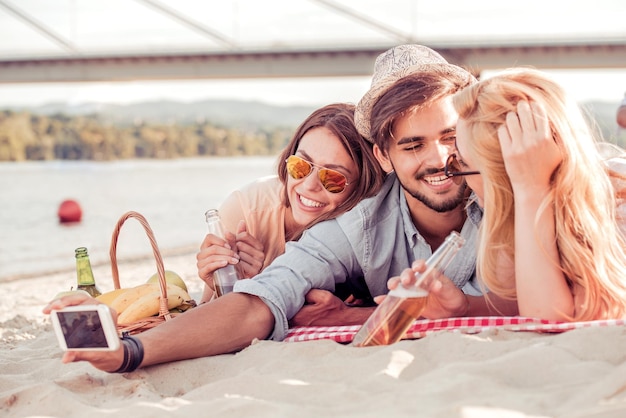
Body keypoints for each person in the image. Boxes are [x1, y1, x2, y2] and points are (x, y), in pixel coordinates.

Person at [43, 44, 515, 373]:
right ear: (384, 157)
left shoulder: (511, 193)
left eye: (450, 136)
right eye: (412, 144)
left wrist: (355, 317)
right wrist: (132, 351)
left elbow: (558, 294)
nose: (437, 159)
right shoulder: (357, 226)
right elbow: (262, 299)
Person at [396, 67, 626, 321]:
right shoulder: (517, 215)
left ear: (503, 174)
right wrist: (463, 308)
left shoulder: (614, 200)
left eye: (461, 163)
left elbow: (550, 317)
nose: (459, 179)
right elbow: (523, 299)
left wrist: (531, 189)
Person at [196, 103, 385, 303]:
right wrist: (231, 283)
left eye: (332, 178)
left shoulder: (369, 237)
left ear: (363, 186)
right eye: (300, 166)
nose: (309, 185)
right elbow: (205, 312)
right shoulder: (245, 210)